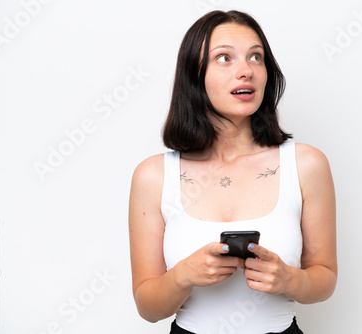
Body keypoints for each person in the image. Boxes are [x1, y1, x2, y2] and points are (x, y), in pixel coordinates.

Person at [128, 10, 337, 334]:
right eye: (224, 58)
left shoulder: (307, 165)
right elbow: (148, 307)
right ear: (194, 74)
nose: (246, 71)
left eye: (256, 57)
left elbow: (324, 278)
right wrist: (183, 275)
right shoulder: (153, 176)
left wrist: (289, 279)